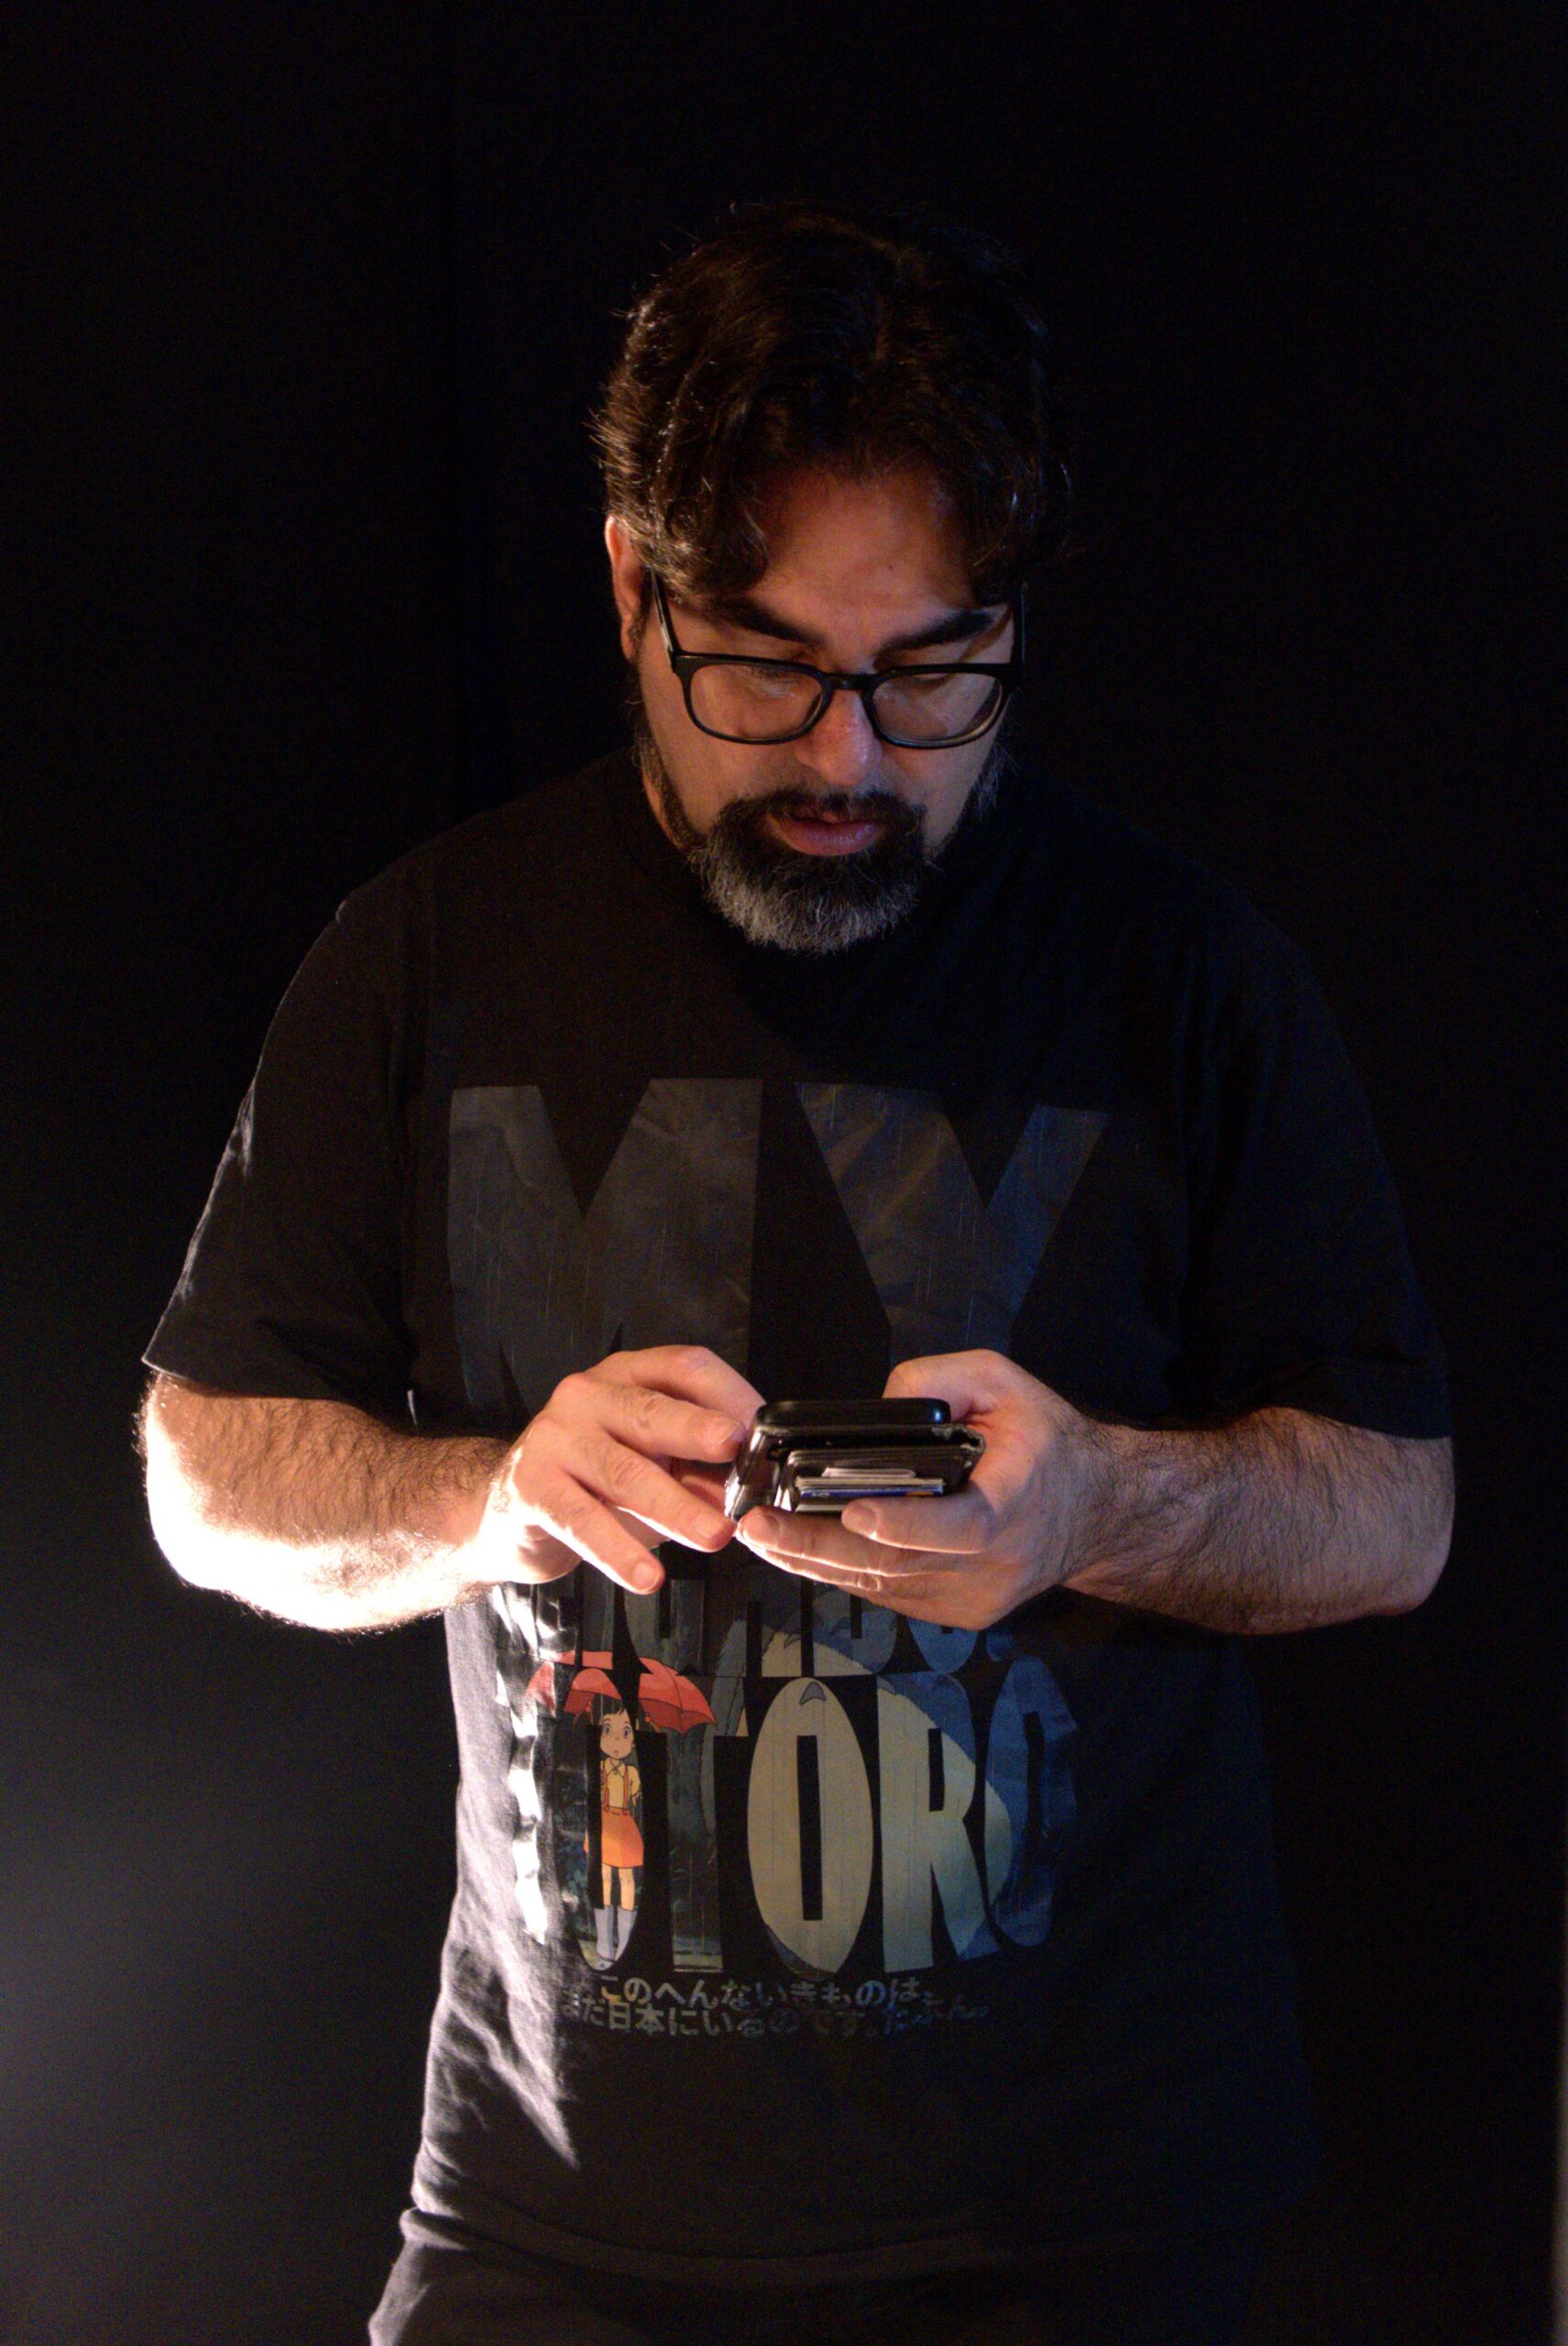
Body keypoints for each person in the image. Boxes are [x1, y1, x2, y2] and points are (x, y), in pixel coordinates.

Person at [137, 202, 1453, 2346]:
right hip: (564, 2210)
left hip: (1087, 2219)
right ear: (629, 587)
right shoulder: (427, 953)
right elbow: (204, 1476)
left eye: (927, 672)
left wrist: (1095, 1500)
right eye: (760, 664)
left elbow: (1396, 1508)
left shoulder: (1184, 971)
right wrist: (496, 1496)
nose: (847, 757)